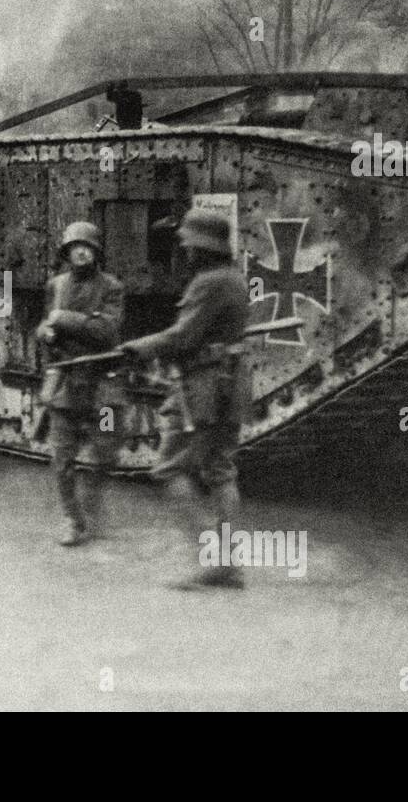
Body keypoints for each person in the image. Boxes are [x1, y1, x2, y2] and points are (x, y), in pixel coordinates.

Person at [117, 208, 249, 590]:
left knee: (169, 469)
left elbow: (182, 339)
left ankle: (216, 563)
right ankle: (229, 564)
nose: (185, 250)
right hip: (231, 382)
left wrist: (137, 347)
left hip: (204, 387)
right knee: (221, 471)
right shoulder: (233, 278)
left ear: (203, 248)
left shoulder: (207, 283)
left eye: (189, 244)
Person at [35, 221, 125, 546]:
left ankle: (89, 507)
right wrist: (45, 332)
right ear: (67, 252)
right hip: (66, 387)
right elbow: (46, 326)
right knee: (61, 458)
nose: (81, 251)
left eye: (87, 246)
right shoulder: (56, 285)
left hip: (103, 388)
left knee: (106, 450)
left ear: (96, 251)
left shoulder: (112, 286)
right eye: (75, 247)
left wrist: (64, 319)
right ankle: (73, 520)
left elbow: (108, 333)